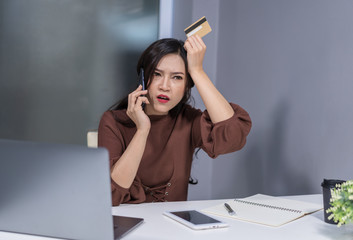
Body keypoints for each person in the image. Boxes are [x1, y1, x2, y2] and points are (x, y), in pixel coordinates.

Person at [98, 35, 252, 206]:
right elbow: (110, 196)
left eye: (177, 77)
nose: (165, 86)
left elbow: (233, 135)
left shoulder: (188, 120)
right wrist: (142, 130)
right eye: (157, 74)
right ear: (143, 77)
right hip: (126, 226)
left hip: (173, 227)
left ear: (187, 85)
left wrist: (197, 71)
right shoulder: (112, 121)